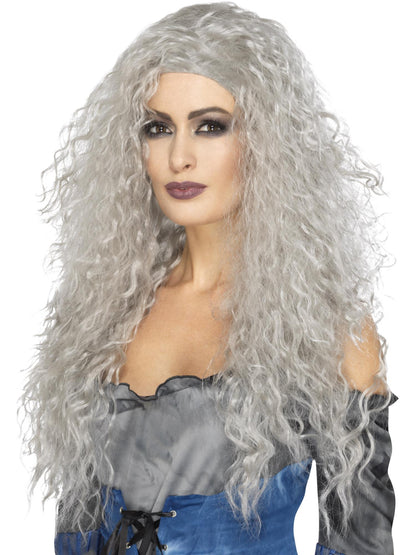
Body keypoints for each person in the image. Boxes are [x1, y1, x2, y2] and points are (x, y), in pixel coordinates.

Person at [22, 3, 397, 554]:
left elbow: (358, 542)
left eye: (210, 127)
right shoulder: (103, 315)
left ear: (267, 142)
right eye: (158, 128)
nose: (179, 157)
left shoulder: (327, 332)